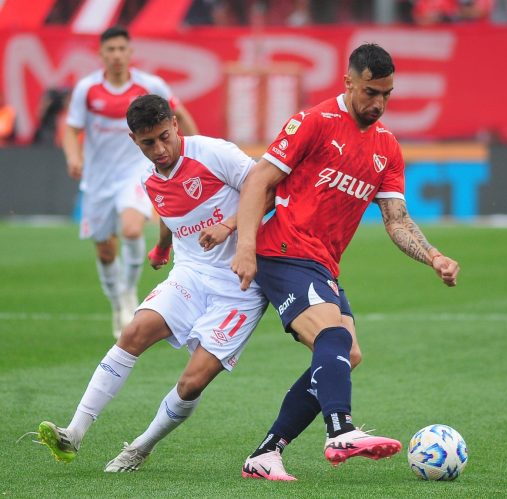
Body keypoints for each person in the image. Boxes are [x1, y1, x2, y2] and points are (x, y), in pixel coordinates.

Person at [232, 43, 460, 481]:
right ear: (349, 82)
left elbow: (396, 219)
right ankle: (340, 429)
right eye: (371, 92)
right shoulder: (314, 122)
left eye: (386, 95)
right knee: (332, 336)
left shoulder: (387, 148)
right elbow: (261, 177)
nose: (378, 103)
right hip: (284, 250)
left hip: (323, 264)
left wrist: (433, 256)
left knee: (346, 353)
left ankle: (266, 454)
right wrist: (245, 246)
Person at [33, 94, 266, 472]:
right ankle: (73, 433)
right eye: (148, 143)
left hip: (239, 287)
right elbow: (170, 211)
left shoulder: (213, 153)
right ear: (133, 140)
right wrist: (161, 246)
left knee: (192, 383)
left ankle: (140, 447)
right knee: (134, 332)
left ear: (175, 124)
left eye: (163, 137)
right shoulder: (149, 177)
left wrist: (229, 227)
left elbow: (266, 189)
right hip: (190, 273)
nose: (159, 149)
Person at [63, 26, 199, 339]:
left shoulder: (149, 85)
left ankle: (128, 297)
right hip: (98, 179)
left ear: (130, 52)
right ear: (101, 54)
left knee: (133, 228)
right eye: (110, 50)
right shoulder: (87, 89)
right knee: (106, 251)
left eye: (122, 49)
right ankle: (118, 301)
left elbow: (181, 115)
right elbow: (71, 129)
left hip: (134, 174)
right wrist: (73, 157)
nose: (117, 56)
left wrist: (194, 151)